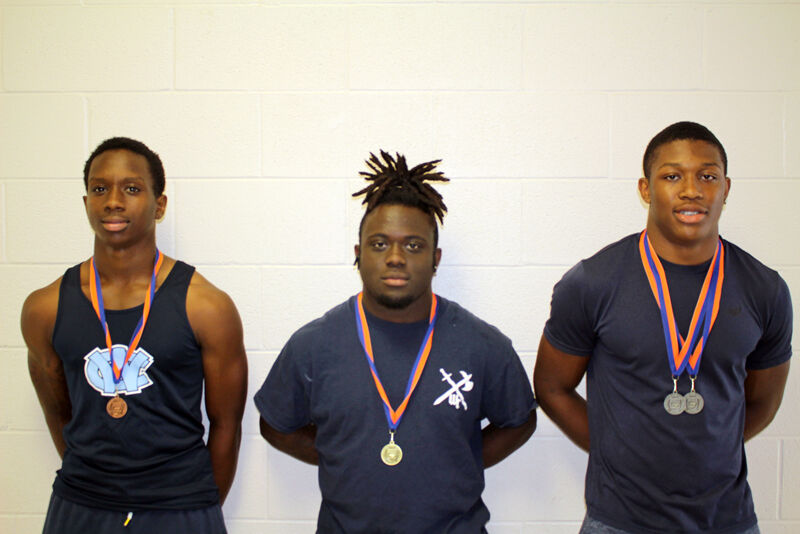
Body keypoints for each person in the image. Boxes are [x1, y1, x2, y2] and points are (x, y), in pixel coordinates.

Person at [255, 150, 536, 533]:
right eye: (380, 244)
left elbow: (519, 422)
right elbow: (276, 425)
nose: (396, 258)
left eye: (414, 246)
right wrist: (340, 455)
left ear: (436, 259)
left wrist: (457, 459)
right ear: (358, 254)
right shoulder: (314, 345)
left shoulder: (482, 345)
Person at [534, 121, 792, 534]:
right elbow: (551, 387)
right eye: (672, 176)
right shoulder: (593, 282)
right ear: (645, 189)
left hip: (727, 520)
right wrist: (614, 452)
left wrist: (709, 449)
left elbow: (763, 401)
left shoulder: (765, 289)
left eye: (707, 176)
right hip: (618, 521)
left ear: (725, 189)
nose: (691, 189)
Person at [21, 137, 248, 533]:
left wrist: (197, 505)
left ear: (159, 205)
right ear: (86, 202)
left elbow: (226, 424)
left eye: (131, 188)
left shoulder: (207, 307)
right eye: (99, 188)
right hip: (81, 505)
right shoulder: (44, 308)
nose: (113, 201)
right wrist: (99, 481)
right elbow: (60, 414)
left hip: (180, 506)